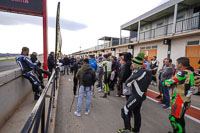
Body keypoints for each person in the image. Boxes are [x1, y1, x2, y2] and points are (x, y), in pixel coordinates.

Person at [163, 57, 199, 133]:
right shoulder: (194, 73)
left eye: (177, 63)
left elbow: (167, 83)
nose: (176, 65)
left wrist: (166, 82)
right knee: (180, 118)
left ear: (180, 64)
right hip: (187, 100)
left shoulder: (182, 73)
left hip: (179, 100)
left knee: (174, 119)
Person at [118, 55, 152, 133]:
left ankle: (127, 129)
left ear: (137, 64)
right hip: (141, 95)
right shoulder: (146, 71)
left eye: (133, 63)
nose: (132, 64)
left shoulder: (138, 71)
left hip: (136, 95)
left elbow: (127, 83)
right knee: (136, 113)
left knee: (125, 110)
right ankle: (136, 130)